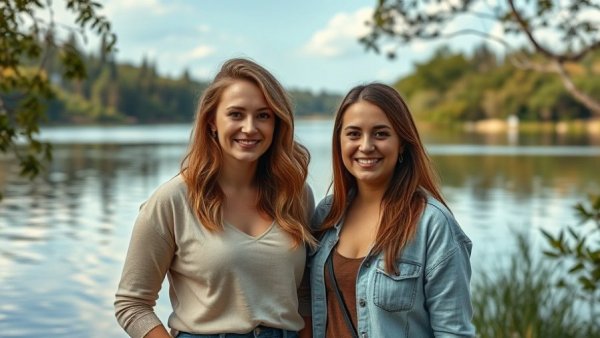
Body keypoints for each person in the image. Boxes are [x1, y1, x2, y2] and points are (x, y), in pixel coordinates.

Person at [115, 58, 316, 338]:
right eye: (236, 114)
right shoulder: (173, 200)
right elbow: (132, 304)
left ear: (277, 123)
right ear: (211, 121)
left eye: (263, 115)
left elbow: (304, 294)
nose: (250, 127)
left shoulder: (295, 195)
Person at [309, 83, 475, 337]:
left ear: (402, 144)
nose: (366, 146)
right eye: (353, 134)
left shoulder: (433, 225)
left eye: (380, 134)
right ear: (339, 142)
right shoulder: (327, 214)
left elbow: (454, 332)